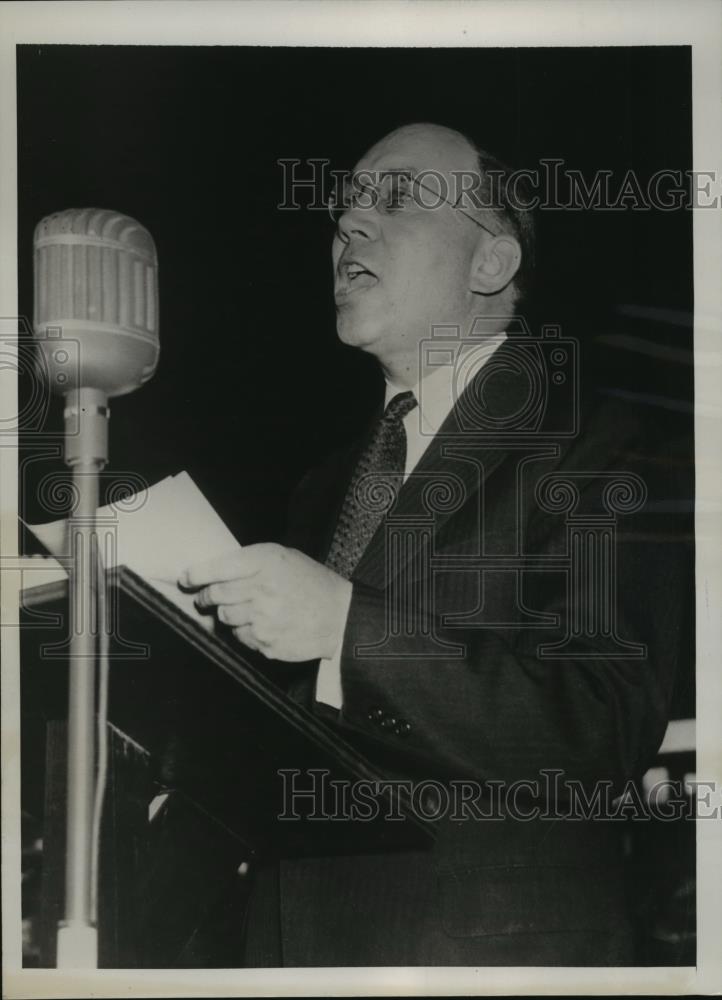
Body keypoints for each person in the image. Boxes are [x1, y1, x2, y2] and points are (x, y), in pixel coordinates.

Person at [179, 123, 689, 965]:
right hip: (281, 952)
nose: (347, 226)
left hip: (483, 958)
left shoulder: (601, 442)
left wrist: (349, 627)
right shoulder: (320, 486)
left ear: (491, 263)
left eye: (396, 199)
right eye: (343, 210)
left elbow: (606, 727)